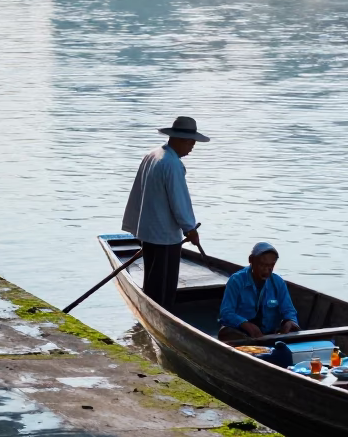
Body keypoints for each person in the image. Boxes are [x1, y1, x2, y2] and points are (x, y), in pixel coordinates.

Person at [122, 116, 209, 309]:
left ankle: (150, 312)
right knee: (163, 288)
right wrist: (190, 229)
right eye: (191, 142)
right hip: (164, 236)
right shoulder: (171, 164)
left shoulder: (153, 155)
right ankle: (162, 315)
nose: (192, 147)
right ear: (180, 139)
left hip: (149, 231)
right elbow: (179, 202)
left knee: (153, 281)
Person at [218, 242, 299, 342]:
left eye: (271, 265)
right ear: (251, 260)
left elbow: (289, 311)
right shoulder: (236, 281)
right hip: (240, 333)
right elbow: (226, 313)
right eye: (262, 265)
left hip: (269, 334)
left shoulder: (278, 282)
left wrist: (290, 321)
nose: (266, 270)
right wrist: (245, 324)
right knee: (225, 332)